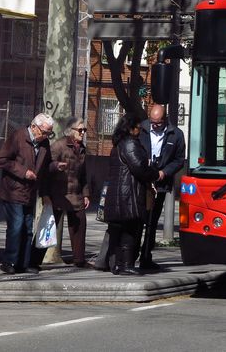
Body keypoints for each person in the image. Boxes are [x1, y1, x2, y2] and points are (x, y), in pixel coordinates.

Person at [0, 112, 59, 274]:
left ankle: (23, 263)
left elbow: (45, 166)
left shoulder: (44, 143)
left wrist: (56, 166)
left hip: (30, 192)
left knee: (28, 229)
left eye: (49, 133)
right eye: (44, 132)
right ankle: (9, 261)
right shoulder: (18, 137)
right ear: (34, 127)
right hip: (13, 191)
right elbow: (1, 159)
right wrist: (24, 172)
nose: (46, 136)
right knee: (16, 226)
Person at [31, 117, 91, 268]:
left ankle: (79, 260)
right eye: (80, 130)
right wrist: (45, 194)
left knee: (79, 224)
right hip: (57, 194)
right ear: (71, 130)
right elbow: (45, 169)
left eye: (84, 130)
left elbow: (83, 174)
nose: (83, 133)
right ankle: (33, 261)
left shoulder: (82, 149)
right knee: (48, 227)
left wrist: (86, 194)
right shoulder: (59, 145)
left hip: (75, 194)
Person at [103, 115, 158, 275]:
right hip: (128, 194)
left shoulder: (119, 144)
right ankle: (126, 265)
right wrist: (154, 172)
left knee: (120, 230)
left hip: (120, 192)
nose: (140, 131)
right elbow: (139, 168)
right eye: (138, 128)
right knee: (130, 229)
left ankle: (117, 264)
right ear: (130, 128)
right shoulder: (130, 144)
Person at [138, 103, 186, 271]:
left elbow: (179, 159)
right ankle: (130, 255)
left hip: (160, 184)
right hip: (141, 182)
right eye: (152, 121)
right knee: (138, 219)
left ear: (165, 119)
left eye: (158, 123)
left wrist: (165, 172)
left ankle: (146, 256)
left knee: (152, 221)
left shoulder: (176, 134)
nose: (154, 125)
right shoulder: (141, 129)